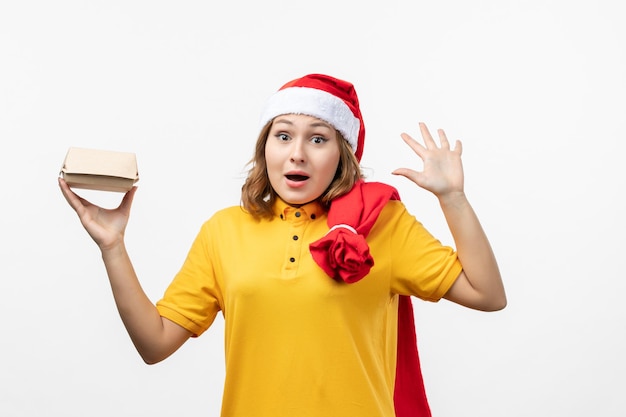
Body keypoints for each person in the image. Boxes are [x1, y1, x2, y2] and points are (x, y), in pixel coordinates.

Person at [59, 73, 506, 417]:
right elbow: (154, 344)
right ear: (265, 149)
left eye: (317, 138)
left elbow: (487, 295)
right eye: (283, 135)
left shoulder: (382, 223)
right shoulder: (223, 232)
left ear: (341, 156)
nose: (297, 153)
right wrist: (112, 246)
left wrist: (453, 199)